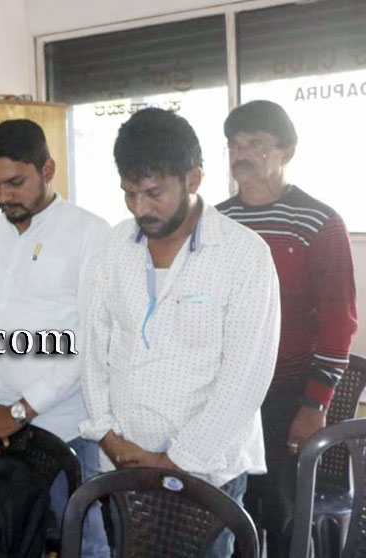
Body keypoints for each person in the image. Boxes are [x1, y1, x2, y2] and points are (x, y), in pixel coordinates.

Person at [79, 107, 280, 557]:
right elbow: (93, 347)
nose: (140, 208)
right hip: (124, 462)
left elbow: (246, 377)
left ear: (193, 178)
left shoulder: (244, 255)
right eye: (129, 193)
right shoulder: (115, 245)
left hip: (206, 472)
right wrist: (106, 433)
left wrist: (175, 461)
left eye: (154, 193)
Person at [0, 119, 110, 557]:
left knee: (83, 543)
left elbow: (90, 341)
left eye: (16, 182)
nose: (3, 196)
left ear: (48, 169)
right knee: (7, 539)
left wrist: (20, 411)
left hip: (64, 428)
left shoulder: (91, 234)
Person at [217, 100, 357, 556]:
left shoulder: (318, 222)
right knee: (227, 508)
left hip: (288, 393)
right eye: (234, 144)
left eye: (255, 144)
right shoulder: (216, 222)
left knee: (282, 515)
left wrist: (315, 403)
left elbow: (339, 321)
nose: (242, 154)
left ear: (287, 152)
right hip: (226, 392)